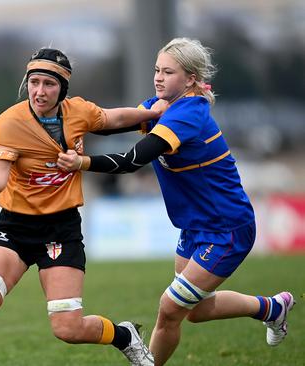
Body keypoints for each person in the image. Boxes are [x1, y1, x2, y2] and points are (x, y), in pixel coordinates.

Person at [56, 37, 295, 365]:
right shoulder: (161, 104)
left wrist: (83, 163)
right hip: (194, 227)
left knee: (169, 309)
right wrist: (68, 116)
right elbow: (113, 122)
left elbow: (132, 161)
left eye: (168, 72)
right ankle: (272, 308)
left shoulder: (188, 114)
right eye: (157, 70)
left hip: (227, 228)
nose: (158, 77)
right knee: (194, 310)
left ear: (192, 79)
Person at [0, 48, 162, 366]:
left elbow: (116, 117)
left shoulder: (79, 112)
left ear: (62, 89)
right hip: (14, 228)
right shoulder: (9, 123)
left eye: (49, 84)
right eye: (34, 82)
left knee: (68, 328)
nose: (40, 91)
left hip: (61, 229)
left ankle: (124, 335)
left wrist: (157, 111)